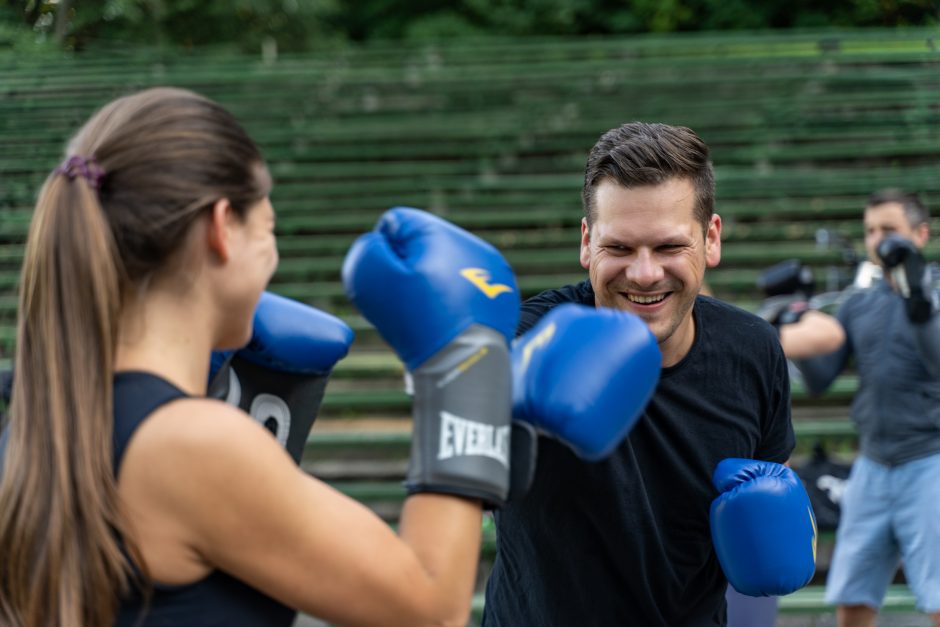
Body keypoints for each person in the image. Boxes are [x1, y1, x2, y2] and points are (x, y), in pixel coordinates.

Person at [0, 86, 514, 627]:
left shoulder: (35, 425)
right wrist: (464, 366)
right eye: (267, 230)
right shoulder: (189, 444)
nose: (272, 256)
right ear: (223, 227)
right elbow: (432, 609)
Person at [483, 121, 814, 626]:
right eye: (618, 248)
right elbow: (459, 393)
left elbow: (767, 495)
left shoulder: (753, 352)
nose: (643, 274)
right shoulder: (532, 336)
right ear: (586, 242)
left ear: (711, 239)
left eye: (668, 247)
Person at [781, 189, 940, 627]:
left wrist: (920, 303)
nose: (877, 240)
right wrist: (794, 317)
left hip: (930, 462)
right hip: (872, 466)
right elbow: (820, 379)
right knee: (852, 602)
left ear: (920, 234)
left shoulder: (936, 296)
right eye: (870, 230)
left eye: (889, 230)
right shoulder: (859, 304)